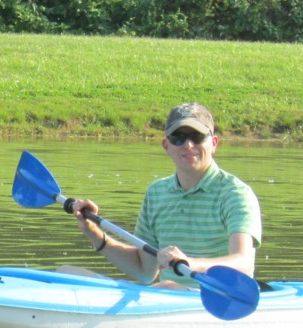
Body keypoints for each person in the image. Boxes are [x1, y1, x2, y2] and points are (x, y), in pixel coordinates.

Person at [70, 102, 261, 287]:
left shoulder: (235, 194)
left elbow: (243, 263)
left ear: (214, 143)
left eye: (197, 136)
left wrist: (190, 263)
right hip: (166, 296)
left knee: (168, 285)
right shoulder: (156, 193)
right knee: (68, 273)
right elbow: (144, 271)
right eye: (178, 137)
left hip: (220, 300)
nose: (188, 144)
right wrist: (93, 232)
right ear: (166, 145)